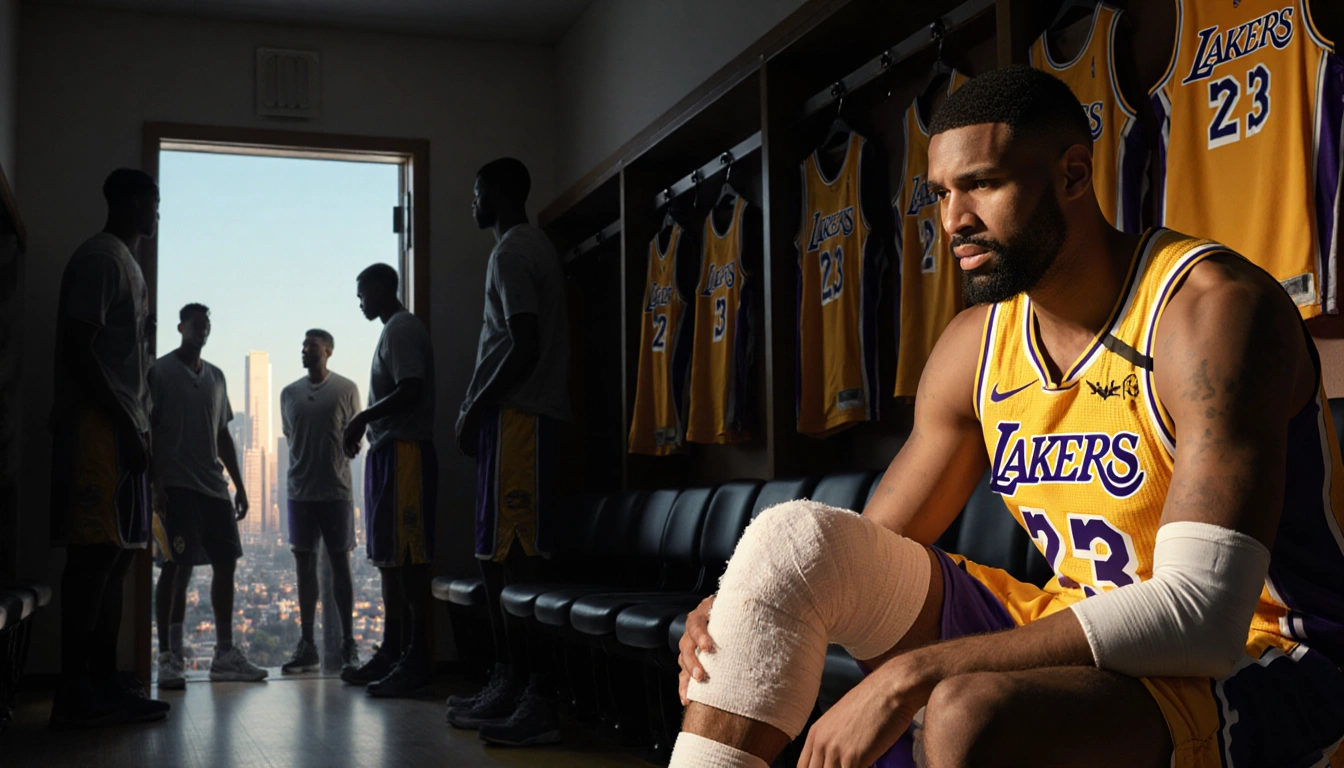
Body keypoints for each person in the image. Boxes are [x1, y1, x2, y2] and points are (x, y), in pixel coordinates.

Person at [671, 66, 1344, 768]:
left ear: (1073, 176)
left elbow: (1202, 618)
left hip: (1264, 654)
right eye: (939, 193)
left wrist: (918, 673)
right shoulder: (976, 345)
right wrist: (745, 603)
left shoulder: (1210, 312)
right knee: (792, 547)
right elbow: (855, 552)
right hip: (1088, 626)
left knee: (965, 711)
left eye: (983, 185)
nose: (954, 220)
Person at [448, 157, 570, 746]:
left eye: (477, 192)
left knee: (516, 561)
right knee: (496, 559)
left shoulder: (513, 252)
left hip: (521, 420)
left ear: (500, 192)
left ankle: (534, 694)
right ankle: (509, 679)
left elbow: (524, 344)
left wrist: (473, 406)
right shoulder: (525, 247)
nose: (472, 203)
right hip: (513, 422)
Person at [48, 168, 169, 728]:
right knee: (94, 557)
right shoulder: (102, 258)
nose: (157, 213)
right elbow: (79, 346)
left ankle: (104, 683)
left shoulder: (130, 265)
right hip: (99, 427)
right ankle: (75, 693)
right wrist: (123, 420)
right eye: (154, 202)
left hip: (123, 427)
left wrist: (139, 425)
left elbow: (128, 362)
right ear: (136, 203)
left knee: (118, 557)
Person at [151, 303, 267, 686]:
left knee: (226, 564)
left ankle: (224, 653)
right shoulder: (161, 372)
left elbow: (222, 436)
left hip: (213, 486)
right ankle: (169, 656)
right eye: (195, 323)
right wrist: (156, 484)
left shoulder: (217, 377)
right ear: (180, 326)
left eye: (207, 324)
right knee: (175, 567)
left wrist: (239, 485)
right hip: (177, 486)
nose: (202, 329)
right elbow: (147, 432)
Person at [340, 263, 438, 698]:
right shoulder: (392, 330)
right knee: (390, 560)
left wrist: (362, 416)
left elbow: (411, 387)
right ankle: (394, 649)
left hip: (405, 456)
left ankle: (415, 658)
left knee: (410, 559)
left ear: (381, 288)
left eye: (362, 293)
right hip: (389, 457)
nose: (360, 301)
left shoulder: (400, 329)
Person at [279, 329, 362, 675]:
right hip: (300, 491)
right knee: (303, 565)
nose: (304, 349)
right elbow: (290, 435)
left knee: (340, 564)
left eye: (311, 345)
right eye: (303, 345)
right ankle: (308, 643)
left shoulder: (347, 390)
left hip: (335, 491)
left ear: (328, 350)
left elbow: (355, 437)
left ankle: (347, 644)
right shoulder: (289, 394)